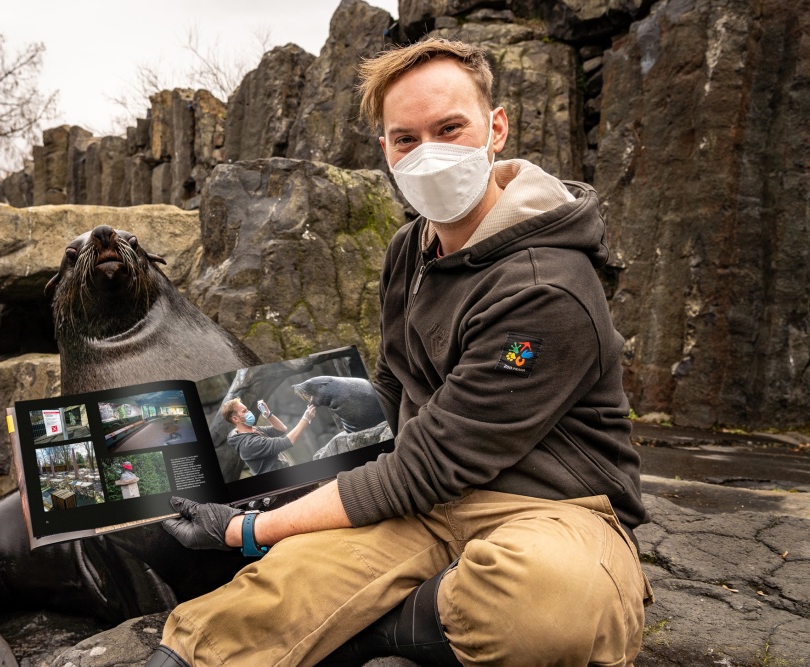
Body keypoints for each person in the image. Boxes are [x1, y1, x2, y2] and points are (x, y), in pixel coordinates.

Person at [148, 38, 653, 667]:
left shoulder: (545, 287)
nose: (430, 154)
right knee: (272, 591)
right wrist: (263, 480)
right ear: (385, 149)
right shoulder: (410, 249)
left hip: (547, 509)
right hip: (425, 508)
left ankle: (384, 627)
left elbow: (429, 462)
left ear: (496, 128)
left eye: (450, 128)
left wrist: (244, 528)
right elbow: (396, 389)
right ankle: (406, 615)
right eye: (407, 138)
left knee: (550, 607)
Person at [222, 397, 317, 475]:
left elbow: (281, 429)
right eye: (244, 411)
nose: (248, 412)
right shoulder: (248, 444)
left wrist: (268, 414)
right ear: (235, 418)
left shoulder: (252, 430)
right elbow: (286, 442)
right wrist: (305, 419)